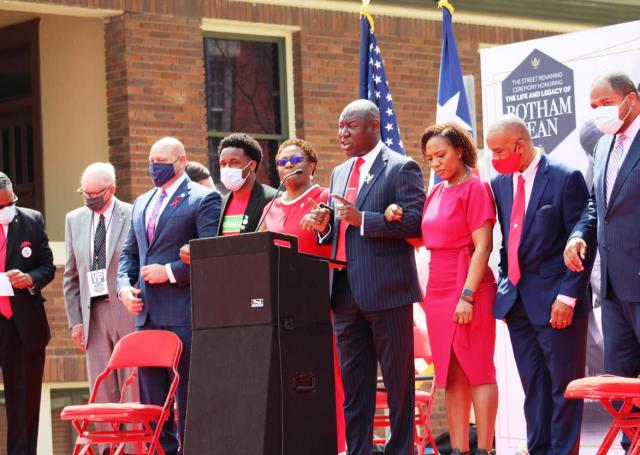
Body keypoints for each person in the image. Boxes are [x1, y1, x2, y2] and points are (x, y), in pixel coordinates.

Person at [301, 99, 426, 455]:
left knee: (398, 383)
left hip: (387, 290)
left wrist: (365, 220)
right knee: (355, 387)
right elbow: (341, 231)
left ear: (374, 125)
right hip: (344, 292)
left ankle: (401, 450)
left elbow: (416, 223)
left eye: (350, 126)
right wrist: (325, 228)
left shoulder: (401, 167)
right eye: (340, 127)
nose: (342, 133)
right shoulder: (340, 172)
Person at [488, 115, 593, 455]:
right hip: (517, 306)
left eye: (499, 151)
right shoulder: (500, 183)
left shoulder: (564, 177)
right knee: (534, 389)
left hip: (557, 305)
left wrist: (568, 296)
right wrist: (505, 285)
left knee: (564, 389)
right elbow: (509, 241)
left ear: (519, 146)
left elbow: (583, 240)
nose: (493, 158)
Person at [392, 123, 497, 455]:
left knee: (478, 369)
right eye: (430, 158)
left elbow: (483, 246)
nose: (435, 163)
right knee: (450, 375)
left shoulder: (476, 188)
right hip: (437, 289)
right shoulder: (436, 193)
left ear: (460, 151)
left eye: (441, 155)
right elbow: (424, 238)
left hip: (468, 284)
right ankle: (460, 450)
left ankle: (485, 449)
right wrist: (395, 216)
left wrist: (468, 295)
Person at [117, 137, 221, 454]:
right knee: (153, 405)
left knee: (188, 399)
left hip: (183, 313)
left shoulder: (203, 198)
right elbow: (129, 254)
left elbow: (211, 253)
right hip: (146, 314)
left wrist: (170, 271)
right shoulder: (142, 202)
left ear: (181, 160)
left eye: (161, 161)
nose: (154, 167)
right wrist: (123, 287)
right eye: (151, 161)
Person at [564, 71, 640, 448]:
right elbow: (597, 205)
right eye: (593, 106)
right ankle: (631, 446)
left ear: (631, 100)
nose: (599, 112)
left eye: (605, 104)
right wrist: (579, 235)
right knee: (621, 384)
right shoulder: (604, 146)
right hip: (612, 289)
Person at [258, 138, 344, 454]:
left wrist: (323, 225)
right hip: (281, 305)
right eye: (282, 162)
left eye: (296, 160)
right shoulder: (270, 206)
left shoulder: (324, 197)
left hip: (318, 301)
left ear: (312, 165)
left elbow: (335, 241)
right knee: (288, 382)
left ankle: (334, 445)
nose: (289, 166)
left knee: (325, 378)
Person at [63, 162, 136, 453]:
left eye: (96, 193)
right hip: (92, 313)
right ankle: (107, 448)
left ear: (111, 189)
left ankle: (134, 449)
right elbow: (71, 275)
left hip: (125, 309)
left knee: (132, 384)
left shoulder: (132, 213)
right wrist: (75, 321)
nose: (90, 198)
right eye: (85, 193)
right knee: (101, 388)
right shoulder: (74, 219)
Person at [0, 172, 55, 455]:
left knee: (23, 405)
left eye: (9, 203)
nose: (5, 210)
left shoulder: (32, 220)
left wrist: (30, 278)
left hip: (23, 325)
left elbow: (47, 266)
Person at [178, 133, 277, 265]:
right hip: (226, 274)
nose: (227, 169)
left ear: (252, 165)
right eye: (223, 164)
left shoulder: (273, 199)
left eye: (234, 162)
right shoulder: (221, 202)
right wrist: (195, 252)